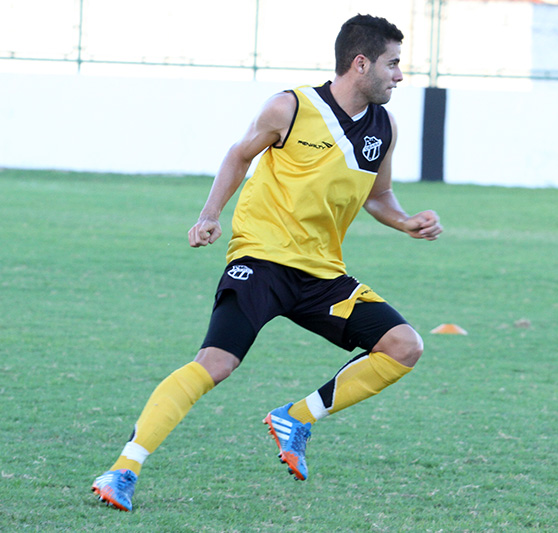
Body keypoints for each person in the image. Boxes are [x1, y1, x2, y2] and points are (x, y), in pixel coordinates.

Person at [91, 14, 442, 512]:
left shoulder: (384, 127)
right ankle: (123, 469)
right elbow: (239, 156)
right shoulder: (290, 108)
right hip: (261, 260)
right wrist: (209, 215)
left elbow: (378, 195)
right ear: (361, 63)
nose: (400, 75)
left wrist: (406, 222)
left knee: (404, 346)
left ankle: (297, 417)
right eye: (393, 64)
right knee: (216, 363)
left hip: (322, 274)